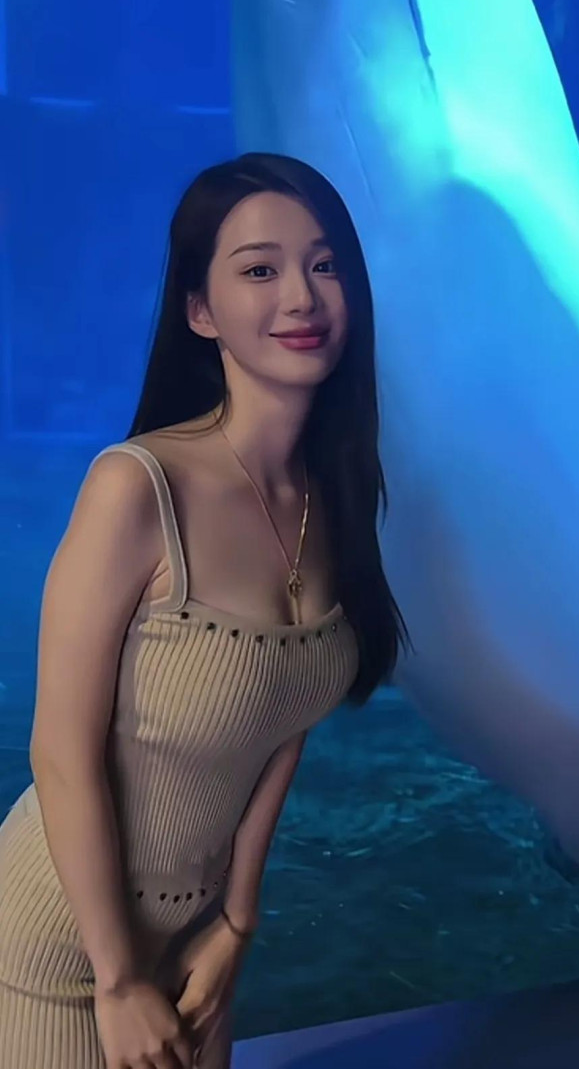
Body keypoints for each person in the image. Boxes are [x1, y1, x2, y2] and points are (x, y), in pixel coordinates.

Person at [0, 153, 411, 1069]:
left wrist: (236, 920)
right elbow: (59, 752)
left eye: (325, 263)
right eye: (260, 269)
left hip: (198, 951)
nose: (301, 296)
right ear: (200, 310)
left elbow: (283, 723)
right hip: (60, 948)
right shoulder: (135, 486)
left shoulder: (331, 496)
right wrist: (118, 979)